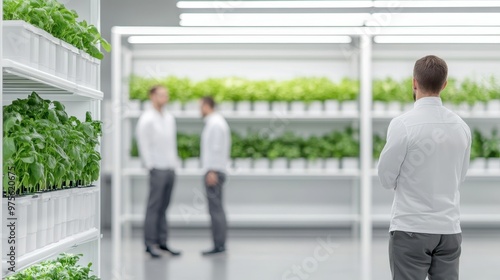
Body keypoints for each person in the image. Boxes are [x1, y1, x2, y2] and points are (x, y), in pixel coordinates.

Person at [378, 55, 471, 280]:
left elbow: (385, 178)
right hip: (449, 229)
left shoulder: (402, 125)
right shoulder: (461, 126)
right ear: (445, 84)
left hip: (410, 228)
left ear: (414, 82)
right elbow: (460, 176)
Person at [136, 85, 181, 258]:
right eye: (162, 95)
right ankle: (150, 243)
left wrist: (174, 165)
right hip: (157, 168)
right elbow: (143, 144)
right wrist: (150, 166)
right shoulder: (147, 118)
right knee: (154, 207)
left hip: (170, 168)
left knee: (164, 207)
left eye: (166, 95)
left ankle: (162, 242)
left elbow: (171, 144)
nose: (165, 98)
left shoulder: (169, 117)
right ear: (152, 97)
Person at [199, 96, 231, 256]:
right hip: (215, 169)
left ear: (207, 106)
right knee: (216, 208)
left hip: (214, 171)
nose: (199, 110)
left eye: (200, 106)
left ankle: (219, 244)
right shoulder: (215, 122)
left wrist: (211, 171)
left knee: (215, 209)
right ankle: (219, 243)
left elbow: (216, 149)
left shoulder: (215, 124)